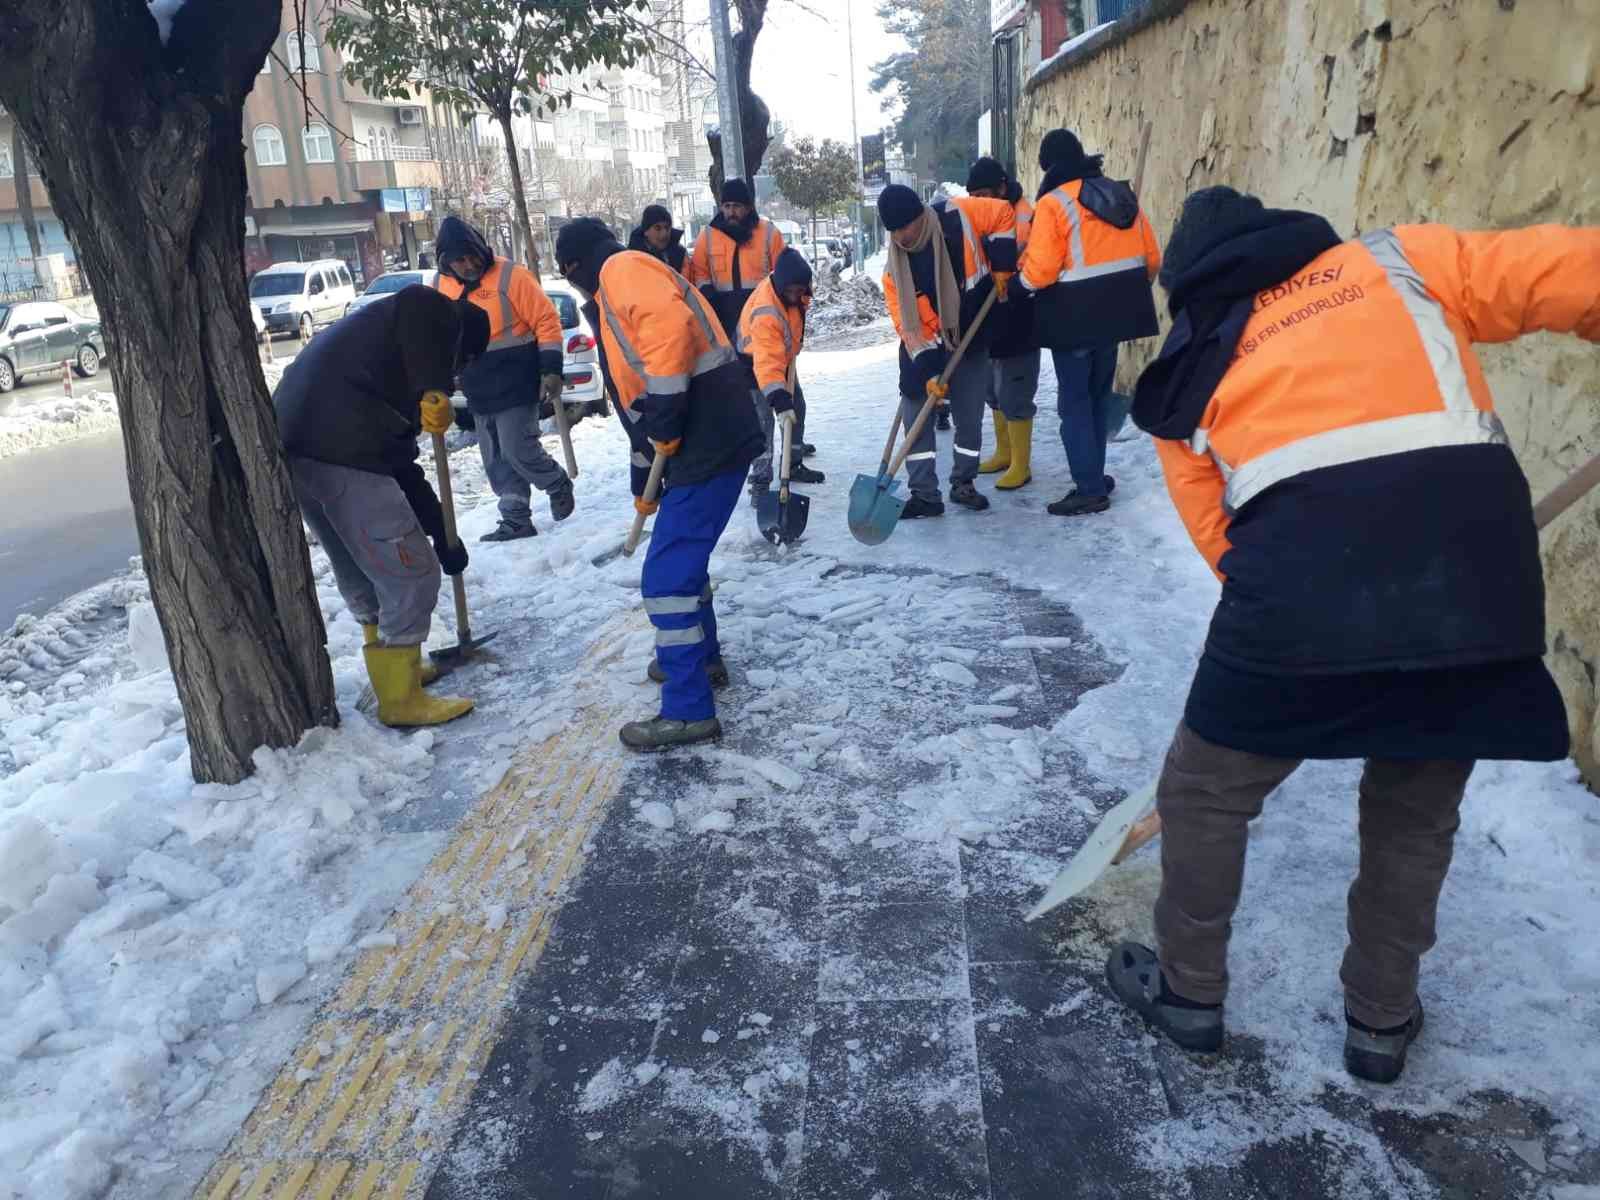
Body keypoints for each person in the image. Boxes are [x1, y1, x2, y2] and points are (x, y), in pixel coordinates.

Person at [1107, 185, 1600, 1083]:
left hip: (1294, 597)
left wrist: (1321, 625)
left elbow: (1222, 540)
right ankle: (1380, 1021)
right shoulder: (1402, 261)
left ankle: (1189, 996)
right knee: (1414, 812)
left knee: (1204, 794)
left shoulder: (1185, 372)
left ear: (1189, 289)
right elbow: (1574, 272)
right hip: (1472, 584)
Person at [555, 218, 765, 751]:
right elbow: (638, 397)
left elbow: (669, 336)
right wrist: (643, 481)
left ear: (574, 266)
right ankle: (704, 659)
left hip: (705, 436)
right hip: (705, 437)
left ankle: (689, 709)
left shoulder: (622, 268)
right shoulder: (621, 282)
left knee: (666, 579)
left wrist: (667, 417)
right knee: (683, 567)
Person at [275, 285, 489, 728]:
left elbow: (403, 467)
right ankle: (401, 699)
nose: (459, 377)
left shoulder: (382, 363)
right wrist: (434, 386)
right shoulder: (431, 312)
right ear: (458, 344)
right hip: (341, 446)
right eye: (463, 364)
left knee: (363, 567)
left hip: (299, 450)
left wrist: (442, 533)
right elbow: (418, 302)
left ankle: (397, 673)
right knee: (411, 571)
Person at [1020, 128, 1162, 516]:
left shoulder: (1054, 203)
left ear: (1048, 165)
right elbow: (1151, 257)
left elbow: (1042, 271)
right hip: (1119, 311)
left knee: (1075, 404)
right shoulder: (1120, 193)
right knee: (1099, 397)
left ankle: (1088, 487)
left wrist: (1021, 282)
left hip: (1074, 316)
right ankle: (1094, 474)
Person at [877, 182, 1017, 518]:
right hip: (924, 342)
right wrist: (928, 371)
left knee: (969, 413)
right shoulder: (894, 271)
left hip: (970, 328)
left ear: (919, 215)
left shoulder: (957, 214)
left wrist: (1001, 264)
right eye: (893, 231)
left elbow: (1002, 213)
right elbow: (909, 327)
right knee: (916, 414)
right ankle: (925, 494)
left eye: (905, 226)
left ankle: (963, 483)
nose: (901, 237)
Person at [434, 216, 575, 542]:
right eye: (459, 260)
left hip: (517, 380)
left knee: (517, 448)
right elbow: (437, 336)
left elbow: (546, 321)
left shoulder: (511, 275)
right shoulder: (442, 287)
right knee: (495, 457)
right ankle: (515, 519)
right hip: (477, 386)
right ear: (446, 263)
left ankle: (556, 482)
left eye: (471, 255)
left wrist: (551, 368)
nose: (468, 264)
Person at [967, 157, 1040, 490]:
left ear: (1001, 187)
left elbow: (1034, 261)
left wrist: (1007, 280)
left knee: (1015, 391)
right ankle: (1004, 452)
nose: (982, 201)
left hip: (1019, 313)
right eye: (975, 195)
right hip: (990, 312)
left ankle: (1021, 465)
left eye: (986, 192)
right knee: (992, 390)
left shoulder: (1026, 214)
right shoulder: (978, 216)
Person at [737, 247, 824, 507]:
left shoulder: (794, 293)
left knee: (797, 408)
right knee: (764, 424)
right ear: (780, 285)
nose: (797, 295)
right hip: (753, 366)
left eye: (800, 290)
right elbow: (765, 360)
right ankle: (760, 484)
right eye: (792, 291)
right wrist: (778, 397)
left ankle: (793, 464)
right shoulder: (766, 311)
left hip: (781, 361)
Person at [686, 178, 787, 338]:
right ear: (721, 207)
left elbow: (782, 274)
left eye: (737, 206)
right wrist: (709, 296)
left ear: (748, 208)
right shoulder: (707, 237)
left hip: (762, 314)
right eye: (727, 206)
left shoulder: (768, 233)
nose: (731, 212)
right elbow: (699, 273)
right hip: (723, 318)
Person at [629, 203, 688, 274]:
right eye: (657, 228)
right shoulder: (632, 257)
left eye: (667, 227)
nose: (664, 233)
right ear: (646, 231)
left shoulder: (681, 254)